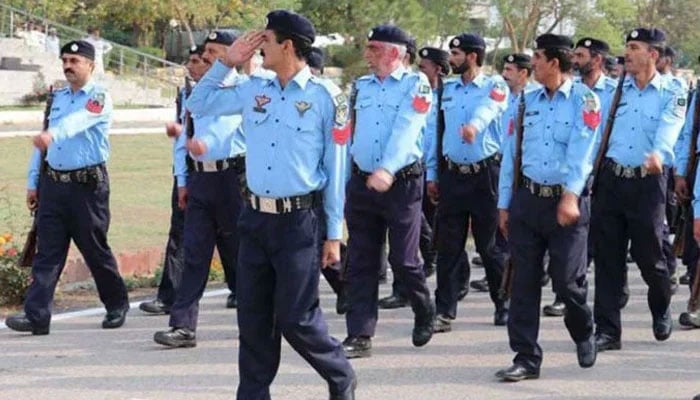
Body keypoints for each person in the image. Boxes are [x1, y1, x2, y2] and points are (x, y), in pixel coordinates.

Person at [186, 10, 356, 399]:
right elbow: (199, 104)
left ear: (288, 46)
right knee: (254, 319)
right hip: (254, 218)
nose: (258, 45)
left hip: (300, 221)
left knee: (297, 318)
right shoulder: (254, 88)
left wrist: (333, 234)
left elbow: (336, 167)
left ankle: (339, 373)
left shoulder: (326, 98)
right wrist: (227, 63)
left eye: (266, 39)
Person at [5, 40, 129, 335]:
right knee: (47, 253)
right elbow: (42, 142)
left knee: (94, 249)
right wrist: (33, 181)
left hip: (87, 188)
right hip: (54, 186)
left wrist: (53, 134)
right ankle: (37, 316)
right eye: (65, 60)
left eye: (75, 60)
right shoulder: (56, 98)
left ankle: (116, 304)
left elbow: (79, 122)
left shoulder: (98, 97)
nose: (68, 66)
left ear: (91, 65)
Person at [496, 33, 600, 381]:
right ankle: (526, 357)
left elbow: (582, 154)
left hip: (564, 204)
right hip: (528, 201)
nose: (533, 63)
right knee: (523, 282)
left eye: (538, 57)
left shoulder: (585, 101)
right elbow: (511, 153)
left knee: (566, 283)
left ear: (554, 62)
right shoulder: (525, 102)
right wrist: (504, 204)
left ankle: (583, 330)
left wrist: (570, 195)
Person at [342, 24, 435, 359]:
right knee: (361, 261)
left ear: (397, 53)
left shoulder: (416, 85)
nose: (368, 55)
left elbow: (408, 129)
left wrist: (387, 168)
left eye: (375, 49)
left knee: (404, 258)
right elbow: (348, 134)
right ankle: (360, 334)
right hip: (362, 182)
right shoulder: (361, 87)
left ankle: (424, 306)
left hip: (401, 183)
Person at [593, 28, 686, 352]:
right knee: (607, 258)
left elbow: (670, 126)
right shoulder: (613, 90)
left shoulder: (673, 91)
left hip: (647, 183)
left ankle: (660, 306)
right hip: (611, 181)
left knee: (650, 257)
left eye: (634, 47)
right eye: (627, 47)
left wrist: (659, 154)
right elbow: (596, 133)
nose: (627, 53)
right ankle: (607, 330)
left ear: (653, 55)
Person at [152, 31, 245, 346]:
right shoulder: (198, 93)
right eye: (206, 52)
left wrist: (203, 143)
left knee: (241, 254)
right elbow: (184, 137)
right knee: (194, 252)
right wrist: (182, 180)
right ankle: (182, 326)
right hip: (200, 179)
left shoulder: (244, 89)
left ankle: (260, 318)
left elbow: (224, 129)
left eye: (215, 52)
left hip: (233, 179)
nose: (207, 58)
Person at [543, 37, 619, 317]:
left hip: (606, 173)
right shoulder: (567, 92)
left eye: (581, 55)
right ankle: (567, 294)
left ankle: (614, 288)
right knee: (574, 241)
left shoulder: (614, 92)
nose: (574, 59)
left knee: (605, 237)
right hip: (574, 176)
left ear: (597, 60)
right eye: (573, 54)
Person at [138, 44, 206, 316]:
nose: (190, 66)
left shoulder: (229, 94)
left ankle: (243, 292)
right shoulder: (187, 94)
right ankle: (169, 297)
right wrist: (180, 179)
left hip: (223, 176)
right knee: (179, 235)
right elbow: (181, 141)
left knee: (232, 240)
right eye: (189, 60)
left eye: (197, 60)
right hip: (190, 173)